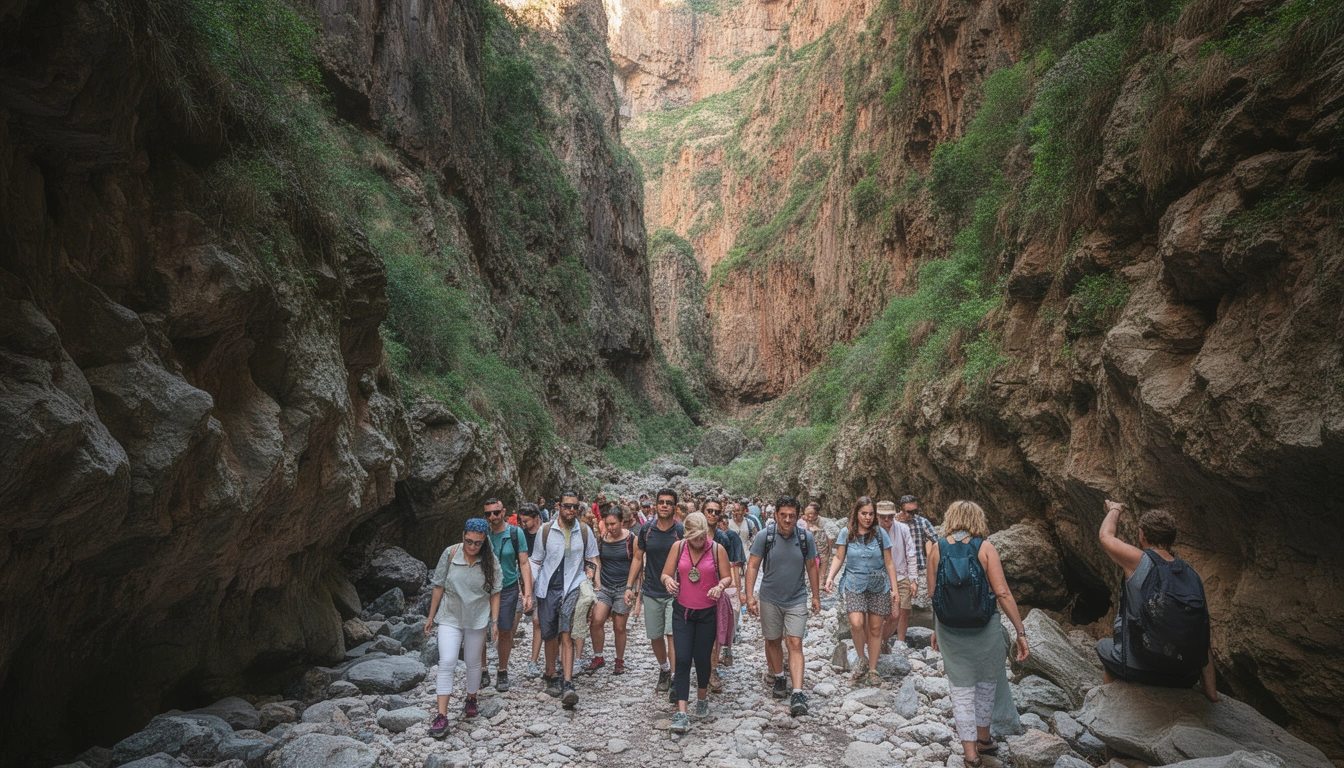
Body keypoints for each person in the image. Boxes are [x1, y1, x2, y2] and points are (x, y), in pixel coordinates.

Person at [928, 501, 1028, 767]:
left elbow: (932, 594)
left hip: (950, 629)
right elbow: (1003, 593)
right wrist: (1020, 631)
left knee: (960, 689)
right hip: (985, 628)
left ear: (951, 519)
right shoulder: (985, 548)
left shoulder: (937, 549)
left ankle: (971, 754)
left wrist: (936, 629)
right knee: (985, 684)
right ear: (977, 520)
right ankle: (984, 739)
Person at [1096, 500, 1218, 700]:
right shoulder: (1192, 575)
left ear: (1141, 534)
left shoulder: (1139, 561)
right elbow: (1201, 632)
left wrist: (1115, 509)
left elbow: (1105, 536)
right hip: (1185, 676)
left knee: (1104, 647)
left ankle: (1109, 705)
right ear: (1172, 538)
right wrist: (1211, 692)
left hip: (1142, 666)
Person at [423, 519, 502, 737]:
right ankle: (441, 715)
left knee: (472, 662)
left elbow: (496, 591)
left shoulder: (489, 560)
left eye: (477, 543)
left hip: (477, 617)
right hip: (450, 615)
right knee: (447, 661)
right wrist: (431, 616)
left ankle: (471, 698)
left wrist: (494, 622)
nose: (472, 547)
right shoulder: (450, 553)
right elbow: (438, 585)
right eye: (469, 541)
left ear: (484, 540)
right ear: (463, 535)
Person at [745, 496, 820, 717]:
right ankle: (779, 676)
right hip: (770, 598)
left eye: (792, 516)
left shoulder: (806, 538)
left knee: (795, 642)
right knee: (773, 640)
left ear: (798, 517)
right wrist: (749, 596)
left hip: (796, 598)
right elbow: (753, 566)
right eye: (783, 515)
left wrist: (815, 596)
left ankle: (797, 693)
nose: (787, 520)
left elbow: (812, 568)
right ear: (776, 514)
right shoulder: (764, 537)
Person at [661, 512, 733, 733]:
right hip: (682, 611)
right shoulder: (679, 547)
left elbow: (727, 576)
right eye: (695, 537)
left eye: (702, 537)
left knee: (702, 659)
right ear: (687, 535)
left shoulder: (716, 549)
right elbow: (665, 573)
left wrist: (720, 587)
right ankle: (681, 712)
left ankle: (702, 696)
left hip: (707, 613)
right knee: (682, 659)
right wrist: (668, 581)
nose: (699, 541)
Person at [529, 491, 599, 709]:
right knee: (549, 632)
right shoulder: (546, 530)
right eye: (567, 506)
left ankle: (568, 682)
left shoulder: (585, 531)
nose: (571, 510)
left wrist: (596, 584)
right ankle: (551, 673)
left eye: (575, 507)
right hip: (548, 587)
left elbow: (593, 558)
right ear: (558, 506)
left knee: (566, 632)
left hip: (573, 586)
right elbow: (536, 561)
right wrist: (528, 592)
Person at [824, 497, 902, 685]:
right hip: (854, 583)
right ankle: (861, 658)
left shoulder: (880, 534)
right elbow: (838, 557)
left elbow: (889, 562)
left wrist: (895, 589)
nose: (867, 517)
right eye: (863, 513)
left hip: (878, 584)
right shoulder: (846, 533)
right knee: (856, 623)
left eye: (870, 514)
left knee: (876, 628)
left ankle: (873, 669)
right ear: (856, 514)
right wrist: (830, 577)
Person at [624, 488, 685, 702]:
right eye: (661, 502)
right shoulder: (647, 530)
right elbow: (638, 559)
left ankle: (677, 680)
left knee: (672, 635)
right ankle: (664, 668)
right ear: (655, 506)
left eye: (669, 502)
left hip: (675, 592)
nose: (665, 505)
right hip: (651, 590)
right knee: (655, 635)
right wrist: (629, 586)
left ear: (675, 507)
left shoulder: (680, 530)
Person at [585, 506, 634, 675]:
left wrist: (632, 588)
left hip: (623, 587)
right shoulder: (603, 538)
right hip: (605, 586)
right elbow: (598, 560)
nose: (610, 528)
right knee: (596, 621)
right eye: (607, 524)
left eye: (613, 524)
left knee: (619, 627)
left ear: (622, 522)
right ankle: (598, 656)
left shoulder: (631, 539)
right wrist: (597, 584)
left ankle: (619, 660)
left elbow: (637, 564)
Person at [703, 499, 744, 683]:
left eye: (716, 511)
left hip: (717, 589)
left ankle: (711, 672)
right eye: (709, 510)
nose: (712, 514)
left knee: (714, 633)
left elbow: (730, 566)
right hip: (695, 589)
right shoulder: (691, 536)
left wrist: (735, 589)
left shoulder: (723, 538)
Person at [875, 500, 919, 645]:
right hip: (879, 577)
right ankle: (881, 640)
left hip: (901, 574)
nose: (886, 520)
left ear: (894, 515)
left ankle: (899, 640)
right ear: (877, 516)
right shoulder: (872, 531)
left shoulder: (903, 529)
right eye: (883, 517)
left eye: (890, 516)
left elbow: (911, 553)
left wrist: (913, 579)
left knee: (904, 609)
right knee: (881, 612)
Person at [897, 495, 937, 610]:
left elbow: (936, 541)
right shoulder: (893, 522)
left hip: (920, 568)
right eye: (909, 512)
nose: (913, 514)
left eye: (915, 511)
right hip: (899, 569)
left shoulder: (921, 522)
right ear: (901, 509)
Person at [801, 502, 834, 576]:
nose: (808, 516)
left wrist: (829, 549)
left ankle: (822, 582)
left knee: (823, 563)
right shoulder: (806, 518)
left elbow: (830, 538)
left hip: (823, 547)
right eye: (806, 513)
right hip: (812, 546)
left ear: (816, 514)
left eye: (810, 514)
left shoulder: (824, 522)